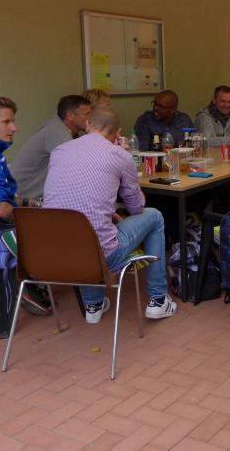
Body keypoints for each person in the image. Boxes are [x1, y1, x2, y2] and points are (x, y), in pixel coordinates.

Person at [44, 107, 177, 324]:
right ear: (118, 132)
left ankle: (93, 304)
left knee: (83, 231)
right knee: (154, 216)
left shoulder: (59, 150)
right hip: (103, 256)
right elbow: (136, 208)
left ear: (88, 124)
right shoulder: (120, 155)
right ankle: (158, 300)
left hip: (58, 254)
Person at [0, 96, 51, 315]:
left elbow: (1, 197)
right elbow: (1, 209)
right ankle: (27, 282)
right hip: (0, 236)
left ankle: (29, 282)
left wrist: (34, 203)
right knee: (70, 228)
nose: (14, 128)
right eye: (7, 122)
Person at [10, 95, 92, 202]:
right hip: (22, 197)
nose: (91, 118)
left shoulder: (61, 128)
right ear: (70, 116)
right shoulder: (56, 131)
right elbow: (79, 167)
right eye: (87, 114)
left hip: (26, 193)